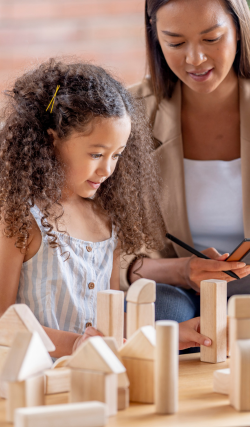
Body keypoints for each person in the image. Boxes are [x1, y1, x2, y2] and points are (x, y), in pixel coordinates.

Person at [0, 59, 211, 357]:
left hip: (96, 375)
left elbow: (108, 322)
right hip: (32, 379)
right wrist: (74, 345)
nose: (107, 169)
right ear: (52, 140)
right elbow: (3, 321)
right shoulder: (19, 217)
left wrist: (169, 334)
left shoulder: (104, 219)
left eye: (117, 155)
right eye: (97, 154)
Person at [123, 0, 250, 323]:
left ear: (239, 28)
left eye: (211, 38)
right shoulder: (128, 117)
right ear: (155, 37)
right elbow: (109, 253)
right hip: (171, 284)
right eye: (175, 42)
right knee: (158, 316)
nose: (195, 59)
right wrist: (183, 270)